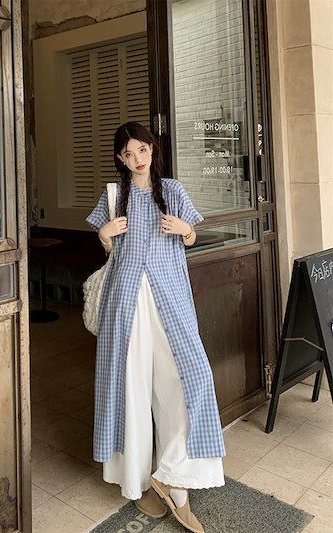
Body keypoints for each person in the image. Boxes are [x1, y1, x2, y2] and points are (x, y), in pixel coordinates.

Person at [85, 122, 226, 533]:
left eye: (142, 150)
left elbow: (192, 236)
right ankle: (138, 482)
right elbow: (107, 247)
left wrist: (187, 230)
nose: (137, 159)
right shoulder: (113, 197)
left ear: (152, 149)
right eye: (129, 154)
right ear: (120, 158)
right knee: (132, 390)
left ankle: (172, 476)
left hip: (170, 301)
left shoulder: (174, 191)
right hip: (126, 305)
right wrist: (104, 234)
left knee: (190, 379)